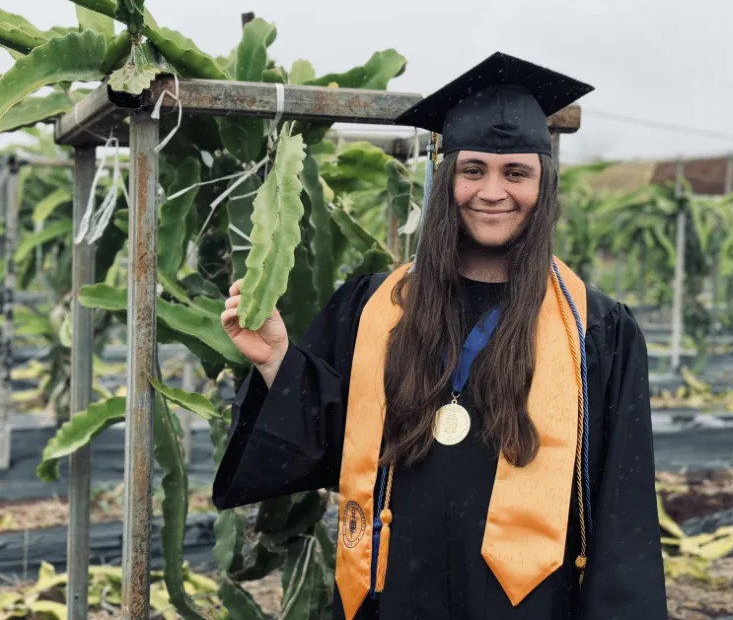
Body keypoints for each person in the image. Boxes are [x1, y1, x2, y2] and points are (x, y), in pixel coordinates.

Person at [214, 52, 667, 620]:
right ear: (445, 175)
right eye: (473, 170)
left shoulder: (596, 331)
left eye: (516, 173)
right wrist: (278, 359)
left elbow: (622, 512)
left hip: (527, 606)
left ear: (543, 184)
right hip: (394, 590)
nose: (492, 191)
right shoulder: (376, 307)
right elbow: (336, 444)